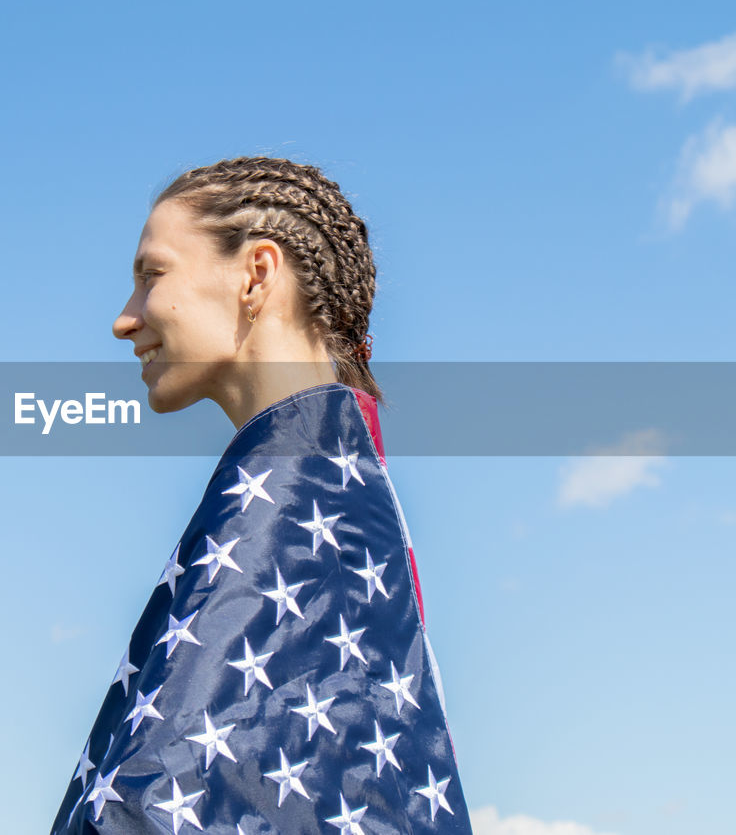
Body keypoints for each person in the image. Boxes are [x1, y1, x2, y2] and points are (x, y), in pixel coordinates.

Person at [51, 157, 472, 834]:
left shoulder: (296, 494)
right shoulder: (328, 484)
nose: (124, 321)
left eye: (151, 275)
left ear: (255, 274)